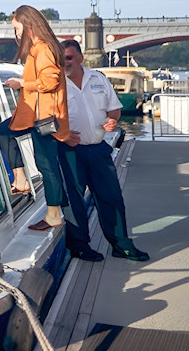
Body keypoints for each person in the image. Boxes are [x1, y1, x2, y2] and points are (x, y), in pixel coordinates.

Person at [3, 6, 103, 260]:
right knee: (43, 162)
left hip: (43, 118)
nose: (15, 32)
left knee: (46, 166)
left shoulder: (43, 49)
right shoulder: (44, 48)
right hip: (43, 117)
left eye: (16, 27)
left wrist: (21, 83)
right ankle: (44, 203)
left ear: (27, 25)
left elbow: (49, 81)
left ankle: (49, 210)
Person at [57, 40, 150, 261]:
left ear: (80, 57)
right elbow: (46, 117)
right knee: (73, 201)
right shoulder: (56, 84)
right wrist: (63, 134)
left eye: (68, 57)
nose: (64, 62)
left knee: (111, 197)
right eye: (62, 58)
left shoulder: (98, 79)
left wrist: (111, 120)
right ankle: (80, 247)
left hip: (98, 149)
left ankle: (121, 245)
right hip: (70, 151)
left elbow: (114, 108)